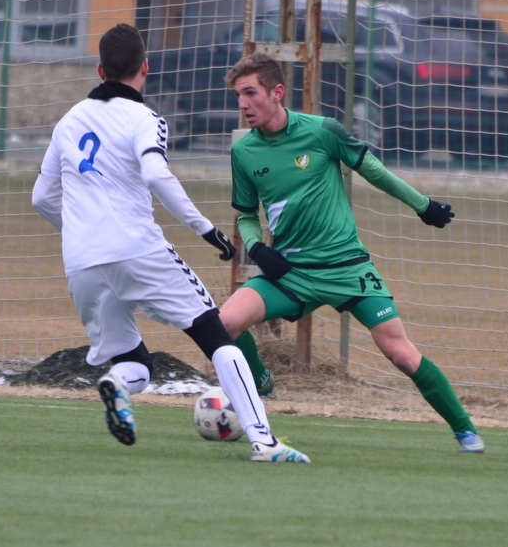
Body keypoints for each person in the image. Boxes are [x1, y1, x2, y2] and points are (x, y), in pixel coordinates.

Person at [31, 25, 308, 463]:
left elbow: (41, 198)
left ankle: (115, 386)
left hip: (82, 261)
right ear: (145, 67)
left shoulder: (69, 120)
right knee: (219, 339)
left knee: (134, 364)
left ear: (100, 69)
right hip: (138, 249)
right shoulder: (144, 119)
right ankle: (264, 442)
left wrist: (82, 233)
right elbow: (157, 174)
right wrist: (205, 228)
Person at [219, 52, 484, 453]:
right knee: (223, 323)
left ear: (276, 93)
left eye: (250, 93)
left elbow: (372, 169)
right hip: (291, 272)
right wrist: (257, 247)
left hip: (347, 266)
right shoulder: (244, 152)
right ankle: (260, 381)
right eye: (238, 95)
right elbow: (244, 215)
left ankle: (465, 430)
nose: (242, 104)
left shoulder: (323, 131)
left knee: (400, 354)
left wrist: (422, 205)